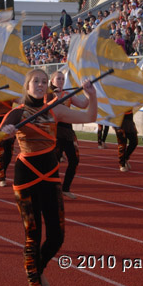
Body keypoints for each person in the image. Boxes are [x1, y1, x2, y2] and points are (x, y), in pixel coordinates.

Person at [0, 68, 97, 286]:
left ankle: (36, 268)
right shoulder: (17, 113)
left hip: (51, 176)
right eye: (36, 81)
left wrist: (92, 95)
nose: (41, 85)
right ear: (27, 85)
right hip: (26, 177)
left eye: (44, 81)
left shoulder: (55, 109)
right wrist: (6, 133)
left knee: (57, 236)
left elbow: (90, 116)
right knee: (33, 235)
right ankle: (34, 280)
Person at [49, 71, 89, 200]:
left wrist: (88, 94)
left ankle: (66, 188)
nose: (60, 81)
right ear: (52, 81)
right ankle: (52, 189)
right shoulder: (48, 95)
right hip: (54, 132)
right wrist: (56, 97)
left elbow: (83, 105)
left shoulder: (68, 94)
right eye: (58, 79)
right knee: (53, 163)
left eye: (62, 79)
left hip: (68, 131)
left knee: (74, 160)